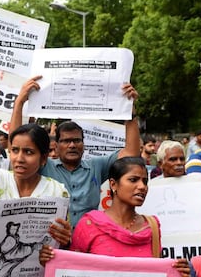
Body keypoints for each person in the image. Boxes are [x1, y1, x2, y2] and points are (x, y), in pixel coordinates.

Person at [0, 73, 71, 246]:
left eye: (29, 152)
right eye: (15, 150)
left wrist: (66, 238)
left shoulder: (57, 191)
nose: (19, 159)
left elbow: (62, 242)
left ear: (44, 158)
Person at [9, 75, 140, 228]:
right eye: (66, 141)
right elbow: (16, 143)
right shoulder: (44, 166)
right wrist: (19, 104)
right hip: (51, 243)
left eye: (77, 140)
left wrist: (129, 113)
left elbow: (131, 153)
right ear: (56, 146)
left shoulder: (96, 166)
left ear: (84, 144)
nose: (72, 145)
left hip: (87, 242)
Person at [39, 157, 190, 277]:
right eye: (133, 180)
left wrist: (183, 276)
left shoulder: (152, 226)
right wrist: (51, 259)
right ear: (113, 184)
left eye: (145, 181)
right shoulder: (90, 224)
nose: (142, 186)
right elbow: (71, 273)